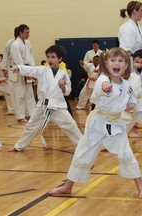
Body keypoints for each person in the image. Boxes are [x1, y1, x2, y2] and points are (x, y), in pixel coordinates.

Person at [50, 47, 142, 198]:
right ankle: (67, 186)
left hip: (116, 125)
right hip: (97, 124)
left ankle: (140, 187)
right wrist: (106, 88)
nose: (117, 63)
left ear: (126, 65)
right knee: (82, 154)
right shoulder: (103, 79)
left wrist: (130, 105)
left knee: (127, 155)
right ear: (106, 63)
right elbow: (102, 88)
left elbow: (132, 100)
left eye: (121, 61)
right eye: (113, 60)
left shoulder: (127, 85)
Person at [8, 45, 82, 152]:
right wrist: (18, 68)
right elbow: (31, 70)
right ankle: (19, 146)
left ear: (60, 59)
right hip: (43, 106)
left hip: (58, 107)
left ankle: (82, 147)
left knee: (71, 126)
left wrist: (62, 86)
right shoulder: (42, 70)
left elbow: (68, 91)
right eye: (48, 57)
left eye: (53, 57)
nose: (50, 59)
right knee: (31, 127)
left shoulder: (64, 74)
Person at [10, 24, 36, 124]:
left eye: (29, 32)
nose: (28, 34)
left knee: (29, 94)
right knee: (19, 95)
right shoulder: (15, 45)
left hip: (28, 69)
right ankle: (20, 116)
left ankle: (30, 114)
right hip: (19, 72)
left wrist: (32, 70)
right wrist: (25, 72)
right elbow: (18, 61)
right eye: (26, 32)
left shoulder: (28, 43)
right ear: (20, 33)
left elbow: (31, 56)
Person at [121, 49, 142, 137]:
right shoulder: (130, 72)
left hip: (139, 99)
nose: (139, 64)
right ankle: (114, 138)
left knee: (134, 119)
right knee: (127, 119)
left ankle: (125, 133)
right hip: (129, 99)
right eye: (137, 61)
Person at [1, 27, 19, 116]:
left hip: (22, 69)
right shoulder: (10, 43)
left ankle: (22, 111)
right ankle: (11, 109)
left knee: (21, 91)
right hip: (11, 68)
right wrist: (4, 68)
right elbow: (5, 56)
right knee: (10, 90)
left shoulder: (26, 43)